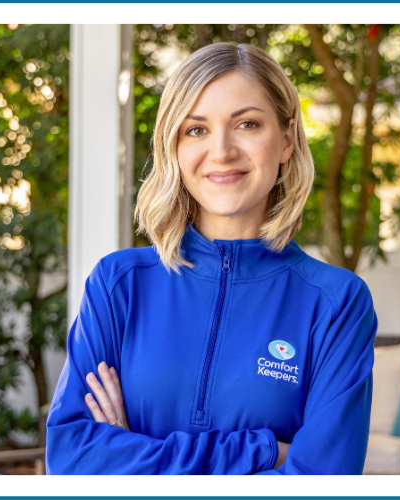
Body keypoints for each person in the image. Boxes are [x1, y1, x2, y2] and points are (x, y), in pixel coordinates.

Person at [44, 43, 377, 474]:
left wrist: (128, 454)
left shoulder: (336, 304)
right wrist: (261, 451)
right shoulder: (119, 284)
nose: (221, 151)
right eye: (196, 130)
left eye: (247, 124)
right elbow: (72, 460)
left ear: (287, 140)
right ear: (175, 148)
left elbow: (319, 481)